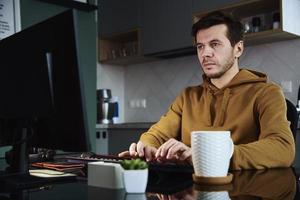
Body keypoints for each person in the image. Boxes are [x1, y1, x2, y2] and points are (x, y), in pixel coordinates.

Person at [119, 11, 295, 169]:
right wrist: (146, 147)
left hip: (244, 191)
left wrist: (211, 157)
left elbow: (282, 148)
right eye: (200, 46)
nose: (205, 53)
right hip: (191, 191)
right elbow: (156, 135)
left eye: (215, 44)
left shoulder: (266, 93)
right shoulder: (187, 97)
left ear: (238, 48)